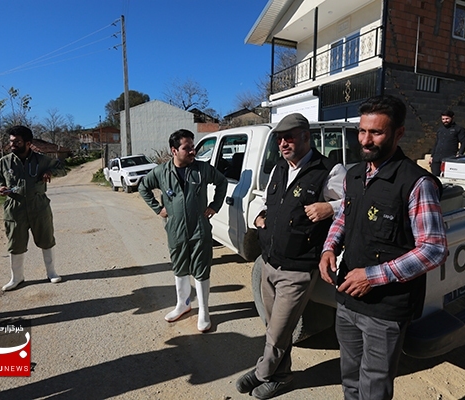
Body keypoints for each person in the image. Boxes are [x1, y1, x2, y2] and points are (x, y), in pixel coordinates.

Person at [319, 95, 448, 400]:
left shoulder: (417, 183)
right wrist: (328, 248)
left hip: (386, 308)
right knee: (349, 377)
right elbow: (343, 217)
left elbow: (434, 248)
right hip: (347, 298)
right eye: (362, 131)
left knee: (375, 385)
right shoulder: (354, 174)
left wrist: (373, 276)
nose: (366, 140)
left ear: (398, 133)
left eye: (376, 132)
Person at [236, 113, 346, 399]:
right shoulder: (278, 169)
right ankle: (281, 376)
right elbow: (265, 199)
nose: (283, 143)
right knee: (272, 325)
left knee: (279, 330)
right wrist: (259, 216)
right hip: (270, 261)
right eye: (280, 139)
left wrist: (331, 208)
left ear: (306, 137)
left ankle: (262, 372)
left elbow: (354, 202)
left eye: (290, 137)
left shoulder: (330, 170)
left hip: (298, 268)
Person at [138, 129, 227, 332]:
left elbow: (221, 182)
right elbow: (143, 187)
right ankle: (183, 304)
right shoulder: (161, 172)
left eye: (192, 147)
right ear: (174, 150)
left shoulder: (202, 169)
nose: (192, 151)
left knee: (201, 270)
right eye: (187, 148)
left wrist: (215, 205)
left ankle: (204, 311)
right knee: (179, 268)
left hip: (199, 229)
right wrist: (157, 208)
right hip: (175, 230)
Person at [0, 125, 65, 291]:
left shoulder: (41, 159)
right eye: (11, 141)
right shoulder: (5, 162)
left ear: (28, 143)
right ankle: (16, 278)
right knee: (15, 244)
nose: (12, 145)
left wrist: (51, 172)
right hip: (14, 208)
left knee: (46, 240)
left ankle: (51, 272)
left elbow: (62, 168)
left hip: (39, 206)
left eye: (17, 141)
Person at [429, 110, 465, 176]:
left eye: (447, 119)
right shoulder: (440, 130)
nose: (445, 121)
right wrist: (432, 156)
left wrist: (460, 154)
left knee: (447, 176)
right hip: (437, 157)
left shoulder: (459, 129)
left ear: (452, 118)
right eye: (443, 119)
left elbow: (463, 142)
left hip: (449, 157)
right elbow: (436, 143)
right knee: (435, 176)